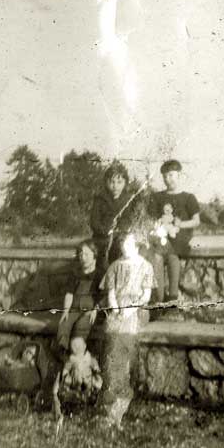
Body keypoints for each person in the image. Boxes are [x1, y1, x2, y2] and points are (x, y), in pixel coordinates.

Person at [97, 232, 154, 428]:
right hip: (118, 310)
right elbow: (111, 293)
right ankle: (111, 409)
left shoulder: (146, 266)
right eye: (122, 243)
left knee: (125, 353)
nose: (124, 246)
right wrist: (115, 308)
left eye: (129, 243)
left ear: (137, 245)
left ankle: (120, 407)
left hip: (137, 310)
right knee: (112, 354)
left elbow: (146, 295)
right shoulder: (115, 266)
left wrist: (129, 310)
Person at [150, 159, 200, 303]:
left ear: (180, 175)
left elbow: (196, 221)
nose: (167, 179)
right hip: (162, 237)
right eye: (165, 176)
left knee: (173, 255)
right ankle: (159, 299)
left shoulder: (188, 197)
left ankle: (173, 296)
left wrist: (181, 224)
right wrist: (158, 225)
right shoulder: (157, 197)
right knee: (157, 257)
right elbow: (152, 220)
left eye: (171, 175)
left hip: (180, 238)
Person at [90, 161, 145, 279]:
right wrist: (105, 230)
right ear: (106, 182)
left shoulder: (129, 200)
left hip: (122, 237)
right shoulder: (100, 199)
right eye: (112, 182)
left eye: (119, 182)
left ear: (125, 183)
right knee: (103, 258)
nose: (115, 186)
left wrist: (123, 229)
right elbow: (94, 222)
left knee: (124, 249)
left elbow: (131, 220)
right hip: (103, 237)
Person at [56, 240, 100, 352]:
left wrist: (95, 309)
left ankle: (77, 354)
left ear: (94, 255)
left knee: (81, 327)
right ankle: (62, 353)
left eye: (86, 254)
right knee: (64, 324)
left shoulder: (99, 274)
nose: (83, 258)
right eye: (80, 254)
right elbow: (69, 293)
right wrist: (66, 310)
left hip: (89, 311)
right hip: (74, 309)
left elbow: (102, 296)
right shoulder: (75, 273)